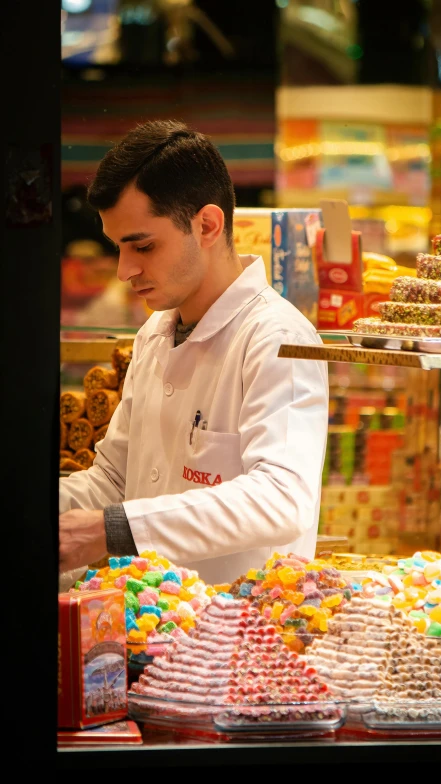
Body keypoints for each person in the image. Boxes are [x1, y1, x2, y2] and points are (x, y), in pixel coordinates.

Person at [59, 119, 328, 585]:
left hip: (245, 636)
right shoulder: (155, 333)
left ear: (206, 224)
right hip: (153, 623)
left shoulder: (280, 336)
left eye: (142, 245)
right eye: (118, 249)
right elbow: (114, 482)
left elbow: (282, 498)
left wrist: (112, 530)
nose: (124, 271)